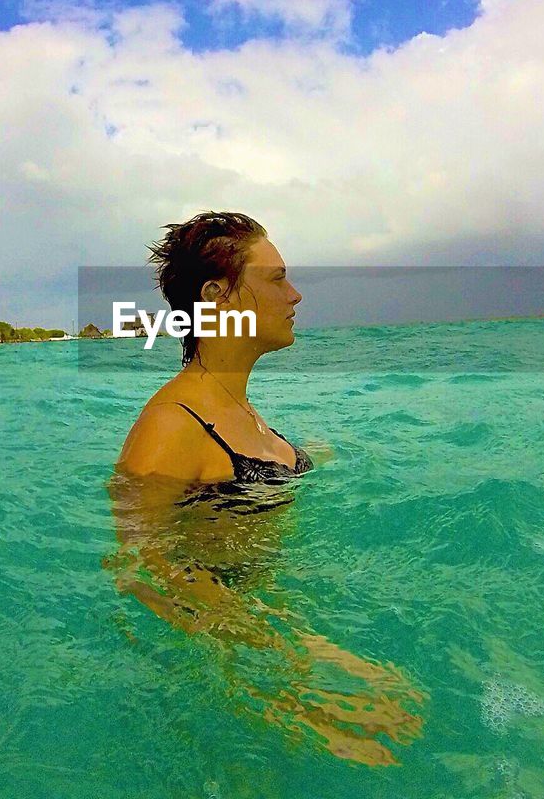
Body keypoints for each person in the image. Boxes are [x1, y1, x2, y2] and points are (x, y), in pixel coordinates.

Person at [105, 211, 426, 766]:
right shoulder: (171, 426)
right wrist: (296, 681)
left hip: (268, 633)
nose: (296, 295)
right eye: (277, 279)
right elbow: (141, 570)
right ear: (219, 296)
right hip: (222, 683)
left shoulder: (244, 416)